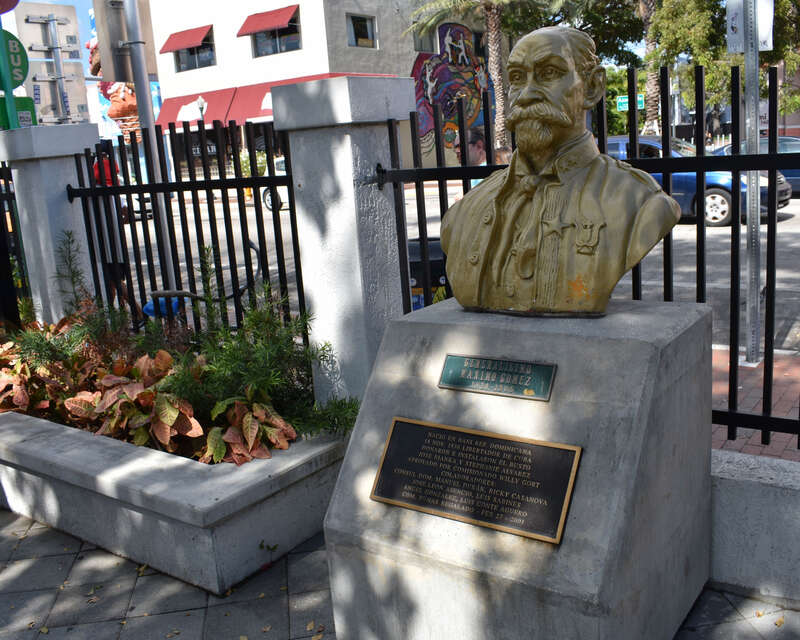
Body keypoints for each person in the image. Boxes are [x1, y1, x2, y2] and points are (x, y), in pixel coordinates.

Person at [440, 26, 680, 316]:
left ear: (592, 87)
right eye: (516, 77)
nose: (526, 95)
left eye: (549, 73)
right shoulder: (465, 212)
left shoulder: (641, 204)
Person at [92, 150, 141, 319]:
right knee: (114, 280)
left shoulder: (94, 190)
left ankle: (136, 313)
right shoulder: (116, 189)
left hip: (103, 241)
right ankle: (122, 316)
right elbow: (127, 215)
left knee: (112, 280)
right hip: (116, 240)